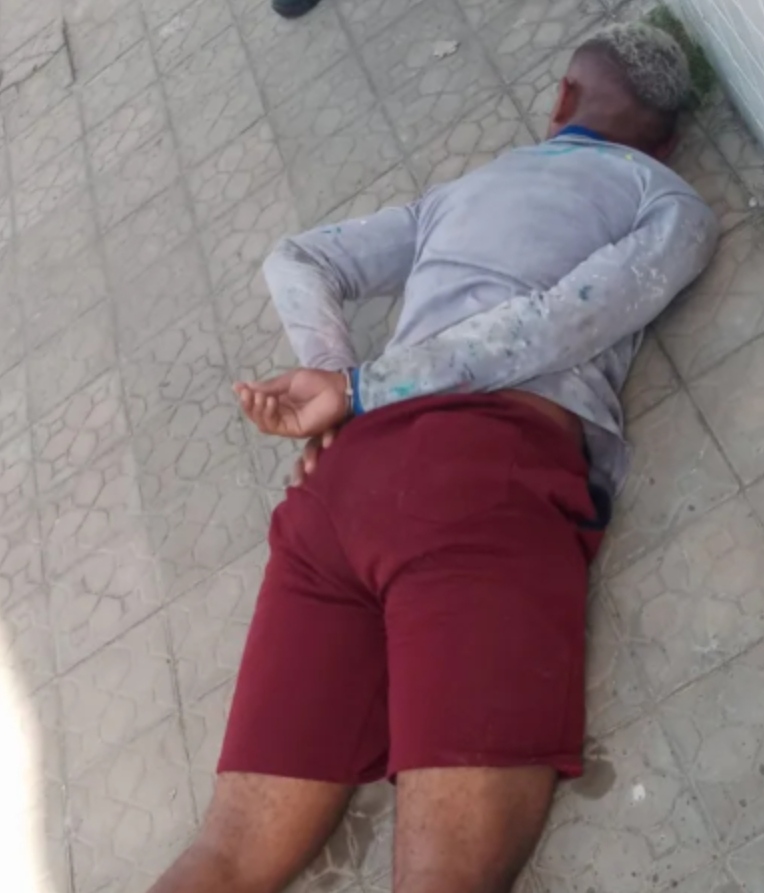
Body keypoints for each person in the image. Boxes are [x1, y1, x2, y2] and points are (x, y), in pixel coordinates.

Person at [148, 23, 718, 893]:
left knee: (224, 853)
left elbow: (295, 256)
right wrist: (355, 386)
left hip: (340, 489)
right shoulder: (667, 202)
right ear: (667, 140)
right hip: (481, 477)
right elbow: (554, 322)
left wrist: (338, 377)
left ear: (561, 100)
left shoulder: (463, 191)